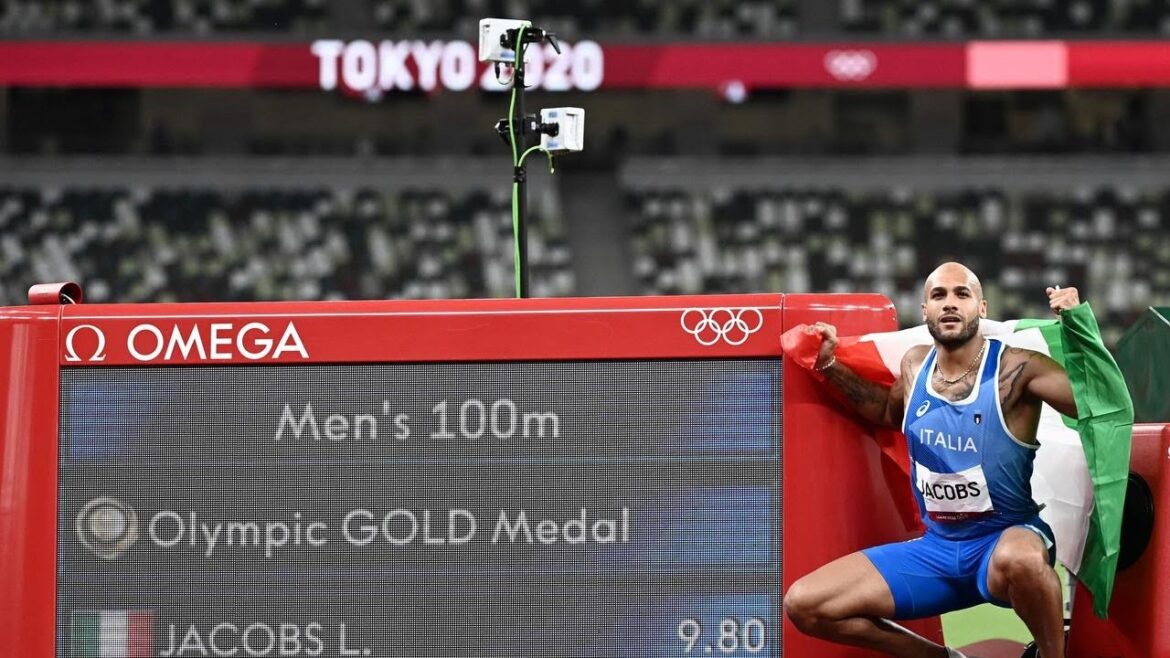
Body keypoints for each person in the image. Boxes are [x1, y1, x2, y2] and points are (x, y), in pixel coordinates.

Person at [783, 262, 1083, 658]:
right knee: (804, 603)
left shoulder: (1017, 368)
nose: (950, 304)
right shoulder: (915, 365)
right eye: (938, 295)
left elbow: (1093, 406)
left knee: (1023, 560)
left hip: (1003, 543)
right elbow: (886, 413)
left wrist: (1080, 331)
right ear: (924, 310)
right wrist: (829, 364)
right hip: (937, 552)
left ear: (982, 307)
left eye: (962, 294)